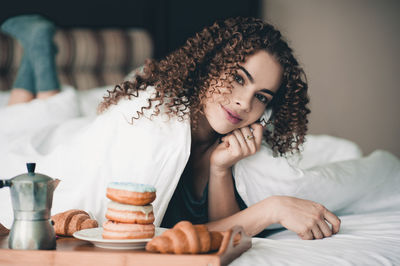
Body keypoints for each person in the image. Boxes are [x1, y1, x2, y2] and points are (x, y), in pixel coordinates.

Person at [2, 15, 398, 241]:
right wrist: (271, 209)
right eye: (238, 78)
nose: (245, 103)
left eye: (262, 96)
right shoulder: (153, 123)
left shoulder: (228, 142)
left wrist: (221, 168)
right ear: (209, 66)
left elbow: (222, 235)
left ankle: (40, 60)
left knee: (45, 115)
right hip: (73, 140)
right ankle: (40, 54)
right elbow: (143, 237)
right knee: (31, 129)